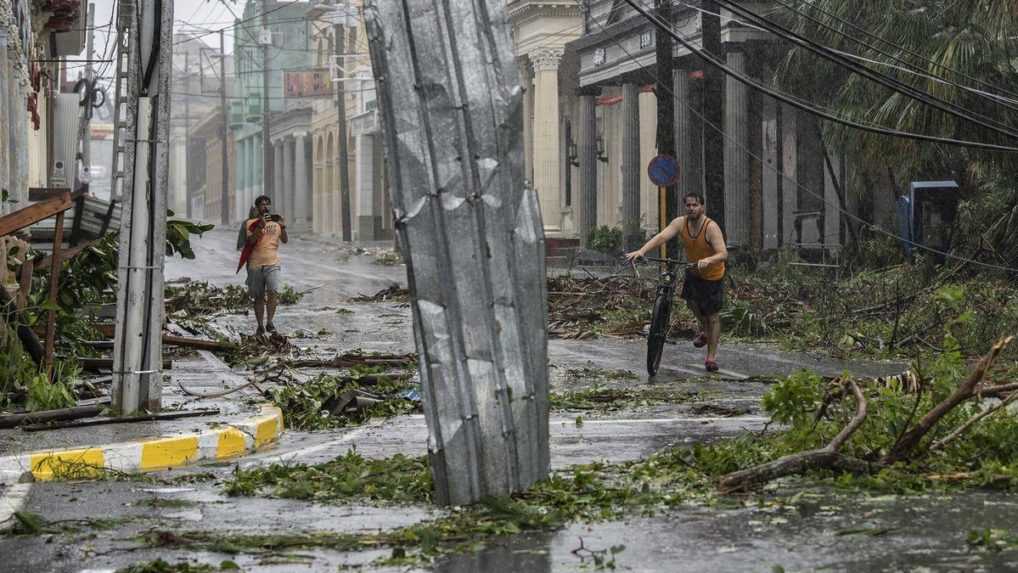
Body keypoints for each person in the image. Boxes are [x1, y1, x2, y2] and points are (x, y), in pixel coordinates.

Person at [625, 192, 728, 372]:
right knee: (691, 302)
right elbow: (662, 237)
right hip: (693, 271)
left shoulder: (711, 227)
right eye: (688, 205)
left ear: (702, 207)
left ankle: (711, 357)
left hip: (712, 275)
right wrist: (642, 251)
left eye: (695, 205)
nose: (691, 208)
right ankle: (703, 330)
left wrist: (708, 260)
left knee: (712, 317)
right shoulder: (680, 223)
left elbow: (723, 253)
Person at [244, 195, 288, 336]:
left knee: (273, 292)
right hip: (255, 265)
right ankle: (260, 325)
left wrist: (282, 225)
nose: (266, 207)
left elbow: (285, 240)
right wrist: (261, 225)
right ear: (257, 207)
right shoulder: (251, 223)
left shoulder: (276, 224)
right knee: (258, 297)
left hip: (273, 263)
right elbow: (250, 241)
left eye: (267, 204)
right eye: (262, 205)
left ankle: (270, 322)